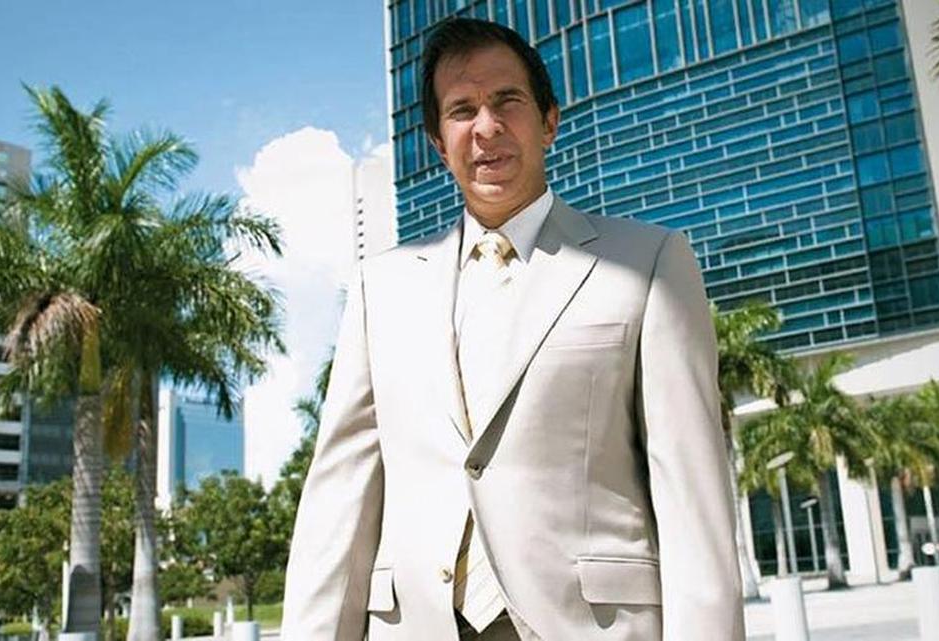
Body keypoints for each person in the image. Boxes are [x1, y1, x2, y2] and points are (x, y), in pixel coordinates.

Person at [281, 17, 744, 641]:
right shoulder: (379, 289)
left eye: (507, 102)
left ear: (549, 120)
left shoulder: (650, 263)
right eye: (462, 110)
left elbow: (691, 499)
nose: (487, 127)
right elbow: (340, 498)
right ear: (439, 143)